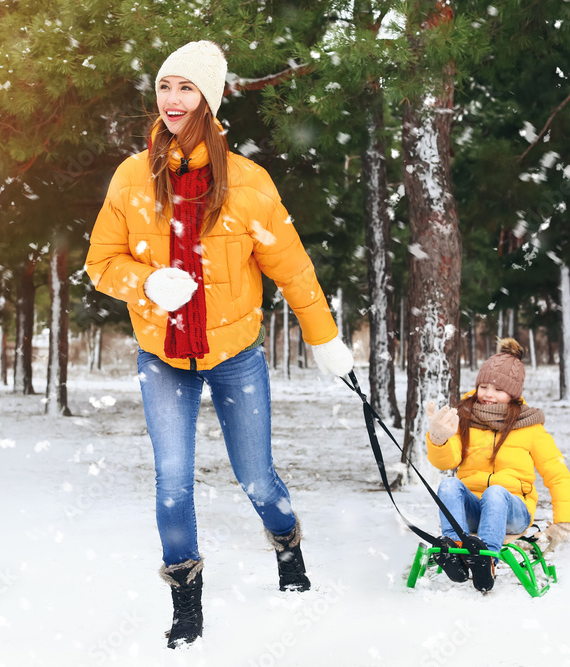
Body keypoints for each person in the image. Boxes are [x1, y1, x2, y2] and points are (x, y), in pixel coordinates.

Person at [84, 40, 353, 647]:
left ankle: (286, 546)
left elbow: (294, 270)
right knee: (172, 476)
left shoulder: (249, 184)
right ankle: (186, 597)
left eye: (186, 88)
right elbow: (101, 263)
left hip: (236, 357)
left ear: (208, 97)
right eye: (164, 87)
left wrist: (325, 339)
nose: (172, 100)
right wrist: (147, 280)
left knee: (256, 475)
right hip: (163, 355)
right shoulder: (132, 178)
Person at [425, 338, 570, 592]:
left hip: (512, 512)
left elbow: (556, 473)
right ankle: (456, 552)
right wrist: (438, 438)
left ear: (513, 394)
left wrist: (563, 522)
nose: (487, 394)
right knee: (449, 484)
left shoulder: (530, 426)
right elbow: (447, 461)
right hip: (474, 508)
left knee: (496, 491)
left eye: (497, 389)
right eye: (483, 386)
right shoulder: (465, 418)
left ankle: (487, 560)